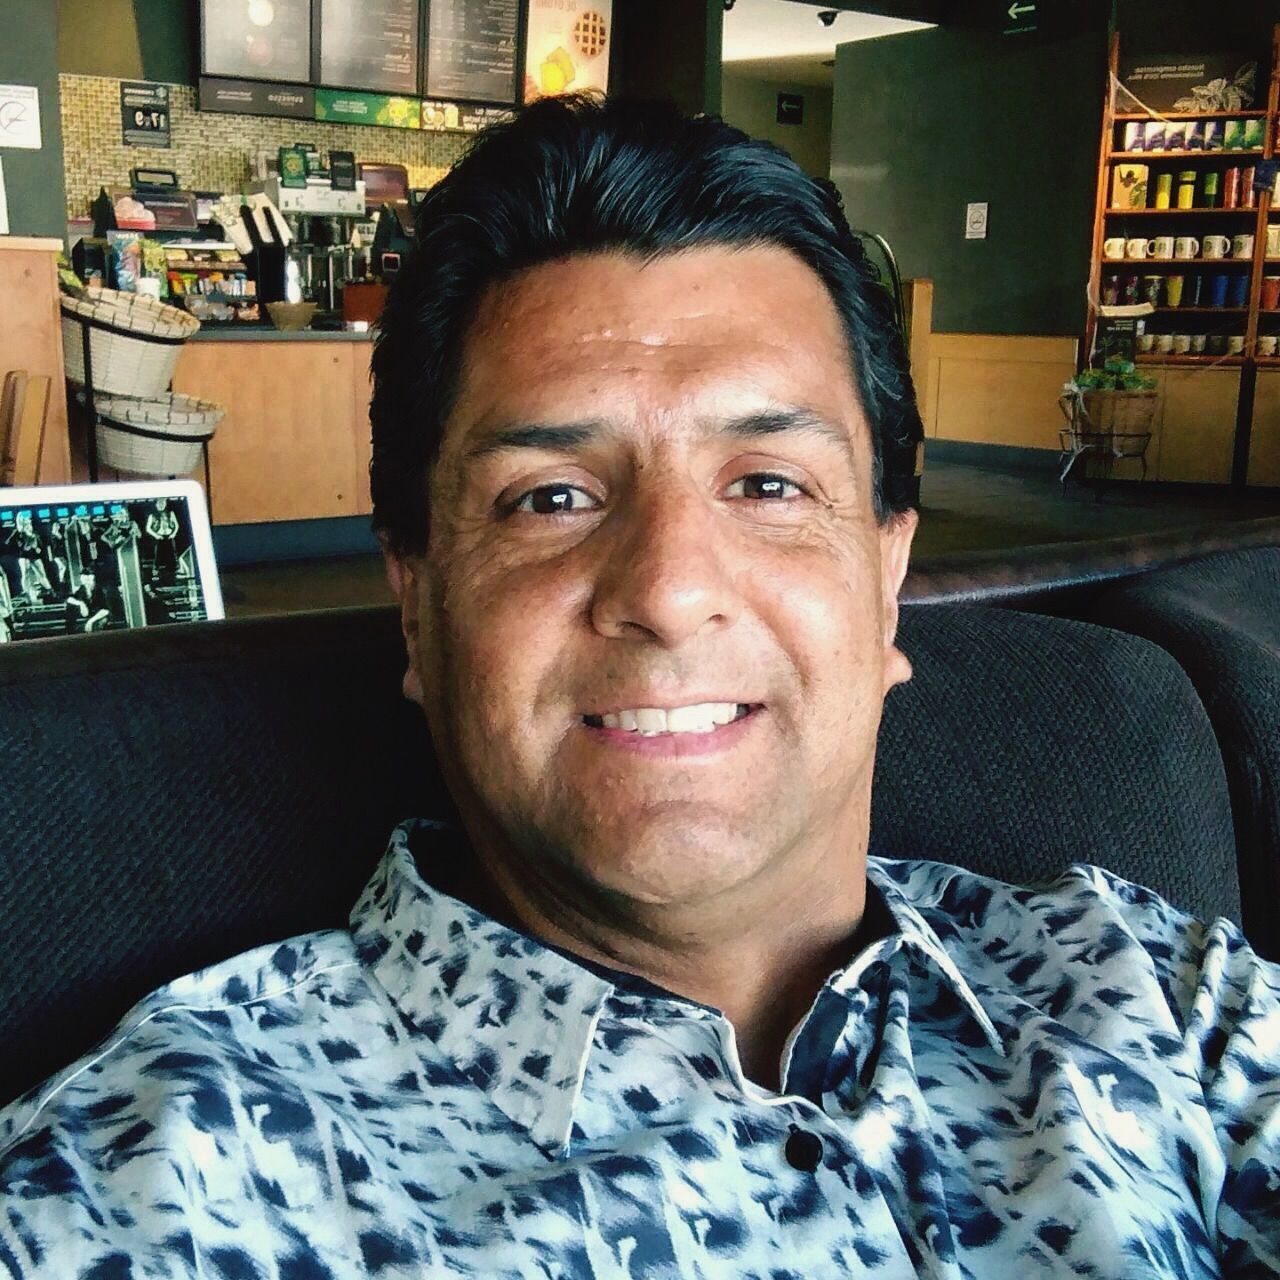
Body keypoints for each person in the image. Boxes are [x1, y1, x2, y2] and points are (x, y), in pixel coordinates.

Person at [1, 96, 1277, 1278]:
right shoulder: (164, 1179)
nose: (667, 587)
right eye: (550, 498)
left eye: (767, 484)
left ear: (888, 579)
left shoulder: (1145, 994)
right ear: (418, 598)